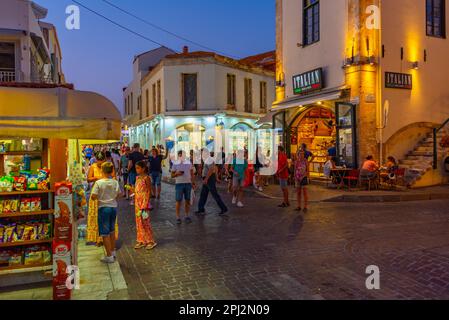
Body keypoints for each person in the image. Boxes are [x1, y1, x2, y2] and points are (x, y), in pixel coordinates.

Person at [90, 162, 121, 263]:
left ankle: (109, 256)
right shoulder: (115, 182)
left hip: (103, 208)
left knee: (105, 233)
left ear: (102, 171)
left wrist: (100, 198)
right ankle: (113, 251)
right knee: (112, 231)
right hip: (113, 208)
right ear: (112, 171)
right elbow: (119, 195)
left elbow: (93, 196)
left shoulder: (99, 183)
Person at [86, 152, 118, 246]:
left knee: (107, 217)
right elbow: (88, 179)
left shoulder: (109, 166)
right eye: (98, 161)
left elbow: (114, 177)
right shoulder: (93, 166)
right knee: (96, 216)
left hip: (107, 194)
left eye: (102, 161)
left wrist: (109, 179)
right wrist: (96, 178)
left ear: (105, 159)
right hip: (96, 194)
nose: (100, 163)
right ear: (96, 159)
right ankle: (98, 239)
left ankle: (109, 240)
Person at [132, 161, 157, 250]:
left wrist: (146, 203)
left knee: (145, 222)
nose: (137, 170)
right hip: (137, 202)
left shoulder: (147, 178)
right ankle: (141, 240)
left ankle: (150, 241)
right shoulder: (137, 178)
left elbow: (149, 191)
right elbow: (137, 190)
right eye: (136, 168)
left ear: (143, 168)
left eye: (138, 168)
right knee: (139, 222)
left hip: (144, 202)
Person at [196, 150, 228, 216]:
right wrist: (216, 178)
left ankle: (223, 208)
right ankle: (201, 209)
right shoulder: (208, 159)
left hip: (209, 179)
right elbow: (215, 169)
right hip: (208, 178)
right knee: (203, 194)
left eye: (202, 153)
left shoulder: (209, 159)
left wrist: (206, 179)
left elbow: (211, 170)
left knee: (214, 194)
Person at [171, 151, 195, 225]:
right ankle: (178, 217)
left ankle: (186, 215)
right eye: (180, 156)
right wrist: (177, 174)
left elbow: (191, 173)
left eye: (183, 155)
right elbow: (172, 175)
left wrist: (193, 182)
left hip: (188, 184)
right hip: (179, 184)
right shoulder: (175, 164)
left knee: (187, 200)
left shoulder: (189, 163)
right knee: (178, 201)